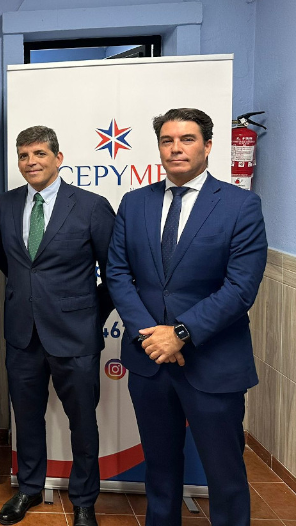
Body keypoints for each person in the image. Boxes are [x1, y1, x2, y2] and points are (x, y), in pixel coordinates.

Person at [107, 108, 267, 526]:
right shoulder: (134, 203)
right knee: (159, 472)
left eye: (187, 139)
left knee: (225, 475)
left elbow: (240, 287)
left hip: (213, 362)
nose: (175, 148)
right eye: (167, 140)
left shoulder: (241, 205)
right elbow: (118, 273)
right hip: (149, 361)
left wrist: (180, 333)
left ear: (208, 146)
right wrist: (151, 336)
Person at [0, 126, 115, 526]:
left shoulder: (92, 206)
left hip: (75, 337)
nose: (31, 162)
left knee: (83, 422)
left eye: (40, 154)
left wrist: (89, 316)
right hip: (22, 334)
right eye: (24, 155)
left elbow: (115, 273)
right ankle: (29, 488)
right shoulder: (6, 204)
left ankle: (84, 500)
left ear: (58, 158)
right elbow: (12, 266)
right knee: (26, 418)